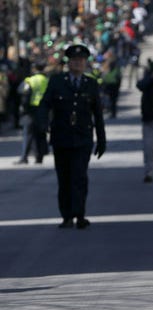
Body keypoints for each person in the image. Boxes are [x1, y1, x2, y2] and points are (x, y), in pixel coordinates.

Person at [38, 44, 106, 229]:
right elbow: (45, 105)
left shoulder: (90, 84)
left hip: (82, 138)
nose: (77, 63)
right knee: (64, 178)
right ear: (68, 63)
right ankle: (66, 215)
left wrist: (101, 140)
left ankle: (80, 214)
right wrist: (42, 124)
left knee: (80, 177)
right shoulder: (57, 81)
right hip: (61, 137)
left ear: (85, 63)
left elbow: (97, 115)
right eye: (74, 61)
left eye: (81, 61)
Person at [15, 61, 49, 165]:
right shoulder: (47, 80)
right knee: (41, 134)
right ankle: (40, 156)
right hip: (44, 110)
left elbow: (23, 94)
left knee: (28, 134)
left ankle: (24, 157)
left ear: (34, 69)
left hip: (31, 110)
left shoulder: (30, 80)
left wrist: (22, 110)